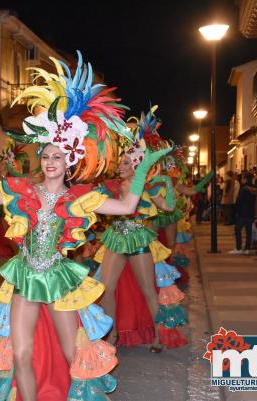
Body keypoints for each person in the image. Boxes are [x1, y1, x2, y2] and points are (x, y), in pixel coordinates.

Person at [0, 52, 171, 401]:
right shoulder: (24, 191)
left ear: (69, 161)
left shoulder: (79, 199)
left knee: (73, 353)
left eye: (57, 156)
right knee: (21, 354)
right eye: (45, 156)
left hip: (59, 281)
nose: (50, 162)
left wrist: (144, 169)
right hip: (26, 277)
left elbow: (127, 206)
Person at [93, 107, 186, 352]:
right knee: (106, 288)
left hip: (138, 238)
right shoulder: (109, 186)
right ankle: (111, 334)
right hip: (115, 238)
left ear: (136, 164)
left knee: (148, 291)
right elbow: (93, 206)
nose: (120, 165)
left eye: (125, 162)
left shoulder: (145, 186)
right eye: (120, 162)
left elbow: (166, 207)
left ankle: (158, 335)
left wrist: (166, 183)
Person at [229, 172, 256, 255]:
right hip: (251, 213)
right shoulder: (254, 188)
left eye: (243, 178)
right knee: (248, 231)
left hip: (242, 213)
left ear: (246, 179)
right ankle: (247, 248)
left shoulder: (244, 188)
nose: (241, 179)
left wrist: (236, 210)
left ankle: (238, 248)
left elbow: (239, 201)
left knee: (237, 229)